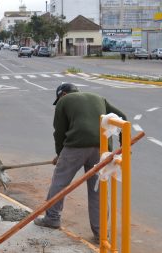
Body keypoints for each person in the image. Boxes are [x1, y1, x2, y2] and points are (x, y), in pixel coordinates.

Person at [34, 83, 127, 243]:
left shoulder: (64, 101)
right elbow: (123, 119)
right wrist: (124, 145)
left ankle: (52, 219)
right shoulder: (99, 98)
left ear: (62, 94)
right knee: (98, 188)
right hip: (101, 148)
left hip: (76, 145)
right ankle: (101, 233)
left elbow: (59, 132)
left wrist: (59, 154)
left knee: (60, 182)